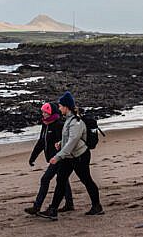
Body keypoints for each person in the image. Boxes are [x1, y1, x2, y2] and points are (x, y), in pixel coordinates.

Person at [36, 91, 103, 220]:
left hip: (80, 156)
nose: (59, 108)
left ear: (66, 107)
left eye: (60, 106)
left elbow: (73, 142)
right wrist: (61, 143)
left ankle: (97, 206)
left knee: (86, 180)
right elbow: (69, 138)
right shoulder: (68, 120)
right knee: (60, 180)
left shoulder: (76, 122)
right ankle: (53, 210)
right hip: (70, 156)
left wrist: (58, 156)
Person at [25, 102, 74, 216]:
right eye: (42, 112)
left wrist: (58, 156)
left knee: (45, 179)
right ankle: (69, 204)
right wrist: (33, 157)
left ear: (51, 113)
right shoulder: (45, 124)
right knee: (63, 180)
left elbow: (65, 142)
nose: (43, 114)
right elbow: (41, 142)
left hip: (59, 158)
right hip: (53, 158)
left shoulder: (59, 124)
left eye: (45, 112)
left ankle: (37, 207)